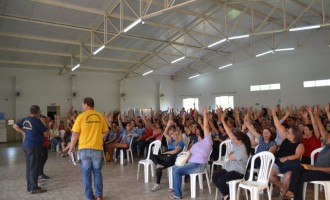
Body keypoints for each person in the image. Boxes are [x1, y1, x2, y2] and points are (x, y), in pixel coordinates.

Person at [283, 104, 330, 200]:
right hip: (314, 167)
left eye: (328, 137)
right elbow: (321, 129)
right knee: (297, 168)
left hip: (324, 173)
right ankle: (292, 192)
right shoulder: (326, 146)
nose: (326, 137)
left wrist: (315, 168)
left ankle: (292, 192)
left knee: (298, 177)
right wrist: (315, 116)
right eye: (327, 136)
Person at [68, 97, 109, 200]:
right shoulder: (100, 116)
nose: (82, 106)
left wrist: (71, 147)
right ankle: (99, 196)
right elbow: (106, 132)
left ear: (86, 104)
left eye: (83, 104)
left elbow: (75, 134)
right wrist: (99, 137)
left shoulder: (81, 117)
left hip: (84, 149)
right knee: (97, 172)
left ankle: (89, 196)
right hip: (97, 149)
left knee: (86, 173)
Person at [169, 106, 212, 199]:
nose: (194, 130)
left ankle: (177, 195)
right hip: (190, 162)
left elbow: (206, 126)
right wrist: (186, 152)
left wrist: (204, 114)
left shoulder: (208, 141)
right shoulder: (196, 143)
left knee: (177, 171)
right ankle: (174, 187)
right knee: (174, 168)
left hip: (198, 164)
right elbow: (189, 152)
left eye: (196, 129)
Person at [212, 110, 252, 200]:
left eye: (234, 139)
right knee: (215, 177)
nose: (232, 139)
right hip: (229, 169)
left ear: (240, 141)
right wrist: (222, 121)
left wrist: (230, 153)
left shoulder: (242, 149)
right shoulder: (236, 143)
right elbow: (229, 132)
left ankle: (229, 195)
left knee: (221, 180)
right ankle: (228, 195)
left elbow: (230, 157)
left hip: (238, 172)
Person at [269, 107, 304, 197]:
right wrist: (274, 115)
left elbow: (297, 155)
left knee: (287, 177)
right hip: (278, 161)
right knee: (269, 176)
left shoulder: (300, 145)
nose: (286, 132)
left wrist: (287, 158)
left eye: (288, 132)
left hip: (289, 164)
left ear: (294, 135)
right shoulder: (285, 138)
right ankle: (285, 188)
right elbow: (278, 126)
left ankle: (284, 195)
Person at [13, 105, 48, 194]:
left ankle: (30, 186)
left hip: (26, 146)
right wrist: (46, 124)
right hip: (34, 147)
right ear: (38, 112)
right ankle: (34, 188)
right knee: (34, 167)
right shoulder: (37, 121)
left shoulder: (25, 119)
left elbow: (14, 126)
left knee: (29, 167)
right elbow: (46, 134)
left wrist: (23, 132)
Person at [151, 118, 184, 192]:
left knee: (166, 161)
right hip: (166, 157)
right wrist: (168, 125)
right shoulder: (172, 141)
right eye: (172, 135)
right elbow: (165, 134)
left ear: (178, 136)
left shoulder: (180, 143)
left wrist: (166, 152)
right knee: (153, 155)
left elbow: (175, 151)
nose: (172, 136)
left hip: (172, 160)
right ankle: (158, 165)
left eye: (174, 135)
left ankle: (157, 183)